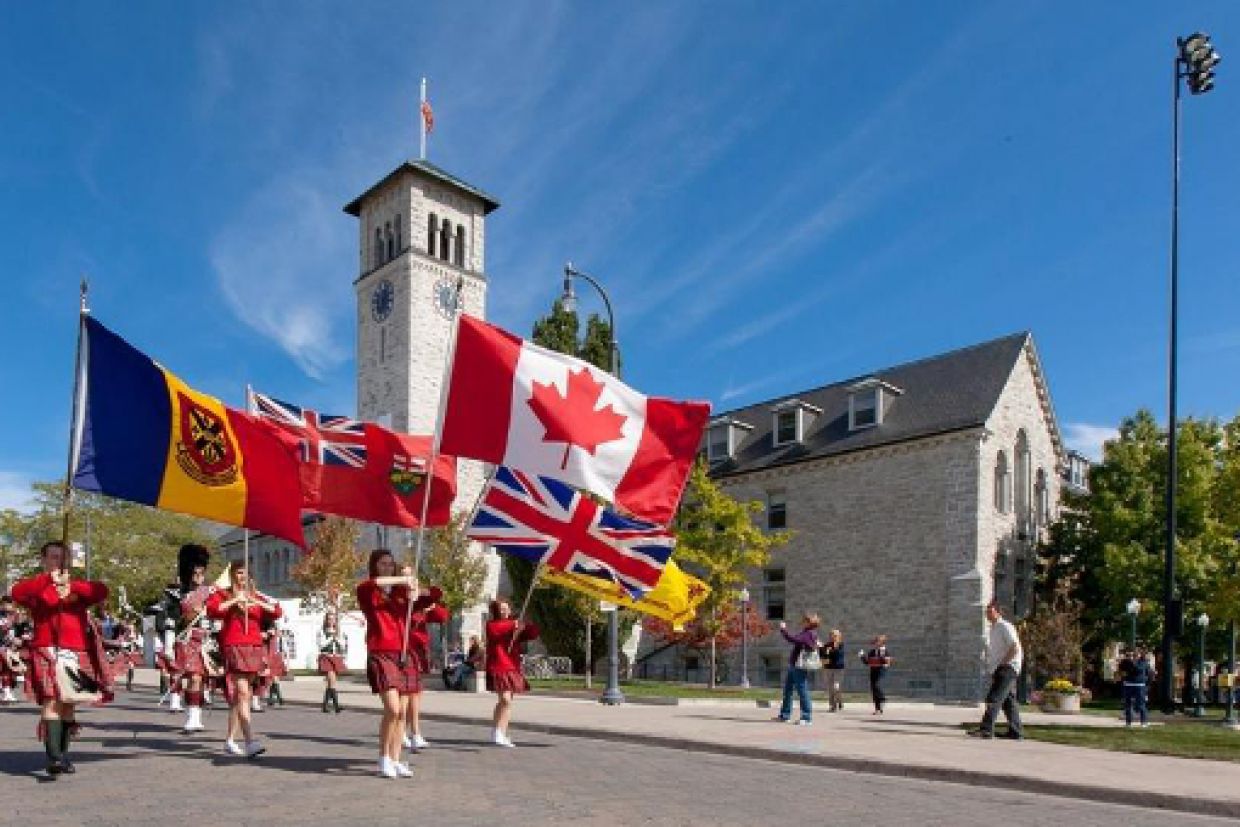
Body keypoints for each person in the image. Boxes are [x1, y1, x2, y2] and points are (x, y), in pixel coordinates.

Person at [11, 540, 111, 776]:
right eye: (53, 557)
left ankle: (62, 755)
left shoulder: (77, 588)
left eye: (62, 557)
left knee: (67, 704)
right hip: (47, 649)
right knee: (52, 701)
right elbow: (17, 592)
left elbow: (101, 590)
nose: (58, 561)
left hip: (75, 651)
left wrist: (72, 586)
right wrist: (49, 580)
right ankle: (54, 756)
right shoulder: (38, 587)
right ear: (44, 560)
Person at [206, 561, 281, 758]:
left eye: (245, 574)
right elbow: (212, 610)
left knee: (242, 697)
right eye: (239, 573)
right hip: (233, 645)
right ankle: (250, 741)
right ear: (232, 574)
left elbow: (277, 611)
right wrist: (234, 600)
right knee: (241, 691)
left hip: (254, 646)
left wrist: (254, 601)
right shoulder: (223, 593)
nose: (242, 577)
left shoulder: (255, 595)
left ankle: (230, 740)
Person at [356, 549, 420, 778]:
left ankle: (395, 758)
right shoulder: (367, 590)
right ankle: (383, 756)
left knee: (402, 712)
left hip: (402, 653)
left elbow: (431, 604)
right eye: (383, 564)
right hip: (381, 652)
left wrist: (414, 593)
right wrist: (404, 578)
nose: (388, 568)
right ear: (375, 566)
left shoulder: (400, 593)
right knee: (392, 708)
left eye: (390, 564)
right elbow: (371, 584)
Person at [485, 598, 539, 748]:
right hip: (498, 666)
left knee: (505, 702)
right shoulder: (492, 625)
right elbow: (497, 631)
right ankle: (498, 733)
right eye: (501, 609)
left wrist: (526, 625)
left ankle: (498, 731)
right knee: (505, 699)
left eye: (506, 608)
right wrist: (513, 625)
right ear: (496, 611)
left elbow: (532, 633)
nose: (505, 611)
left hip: (512, 667)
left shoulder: (514, 625)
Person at [173, 544, 214, 732]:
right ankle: (192, 715)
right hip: (190, 639)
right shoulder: (181, 595)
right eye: (195, 574)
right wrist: (193, 613)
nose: (199, 577)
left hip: (208, 640)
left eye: (201, 573)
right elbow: (181, 619)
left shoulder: (211, 592)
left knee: (203, 680)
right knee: (194, 677)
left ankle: (197, 712)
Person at [970, 601, 1023, 740]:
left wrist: (1003, 664)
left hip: (1008, 668)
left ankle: (986, 730)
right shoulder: (993, 629)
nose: (987, 614)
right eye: (986, 611)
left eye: (990, 611)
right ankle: (1015, 732)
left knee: (994, 698)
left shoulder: (1005, 626)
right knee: (1008, 702)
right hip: (1000, 668)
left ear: (999, 612)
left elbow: (1014, 647)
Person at [404, 584, 448, 750]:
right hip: (405, 653)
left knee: (415, 694)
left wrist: (431, 606)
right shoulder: (402, 603)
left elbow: (443, 615)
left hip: (418, 654)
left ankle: (406, 731)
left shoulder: (420, 604)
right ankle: (413, 732)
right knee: (410, 695)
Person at [774, 613, 820, 725]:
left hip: (799, 666)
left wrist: (783, 629)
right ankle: (785, 715)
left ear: (810, 622)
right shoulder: (808, 633)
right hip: (794, 665)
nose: (802, 622)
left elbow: (792, 639)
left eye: (805, 620)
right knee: (788, 691)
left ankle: (806, 717)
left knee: (802, 691)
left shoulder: (808, 634)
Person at [317, 610, 347, 713]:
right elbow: (321, 645)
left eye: (333, 619)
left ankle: (325, 706)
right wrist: (331, 637)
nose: (331, 621)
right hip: (326, 656)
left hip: (336, 657)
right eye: (329, 619)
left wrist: (337, 638)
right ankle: (336, 706)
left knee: (331, 682)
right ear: (326, 620)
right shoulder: (321, 631)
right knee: (331, 679)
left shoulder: (339, 631)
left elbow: (343, 645)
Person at [1118, 646, 1155, 728]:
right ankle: (1128, 722)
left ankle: (1143, 722)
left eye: (1135, 654)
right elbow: (1120, 672)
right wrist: (1123, 676)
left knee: (1141, 704)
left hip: (1140, 685)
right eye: (1131, 654)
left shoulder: (1143, 662)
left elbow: (1149, 674)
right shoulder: (1125, 662)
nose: (1133, 656)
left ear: (1138, 654)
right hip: (1128, 685)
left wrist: (1147, 685)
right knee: (1128, 704)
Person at [862, 635, 892, 715]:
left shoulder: (885, 651)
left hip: (881, 670)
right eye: (875, 641)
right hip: (873, 670)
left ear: (882, 643)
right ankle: (877, 708)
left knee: (877, 685)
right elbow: (867, 662)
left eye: (877, 641)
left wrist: (886, 663)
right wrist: (862, 656)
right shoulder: (872, 651)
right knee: (873, 689)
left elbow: (888, 662)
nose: (875, 643)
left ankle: (883, 698)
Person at [819, 628, 846, 712]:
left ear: (839, 636)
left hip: (838, 669)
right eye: (831, 635)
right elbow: (822, 656)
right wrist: (820, 648)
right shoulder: (827, 645)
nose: (833, 637)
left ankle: (840, 701)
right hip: (828, 668)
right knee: (830, 688)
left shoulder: (841, 644)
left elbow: (838, 654)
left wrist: (831, 649)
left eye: (835, 635)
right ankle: (833, 706)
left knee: (836, 687)